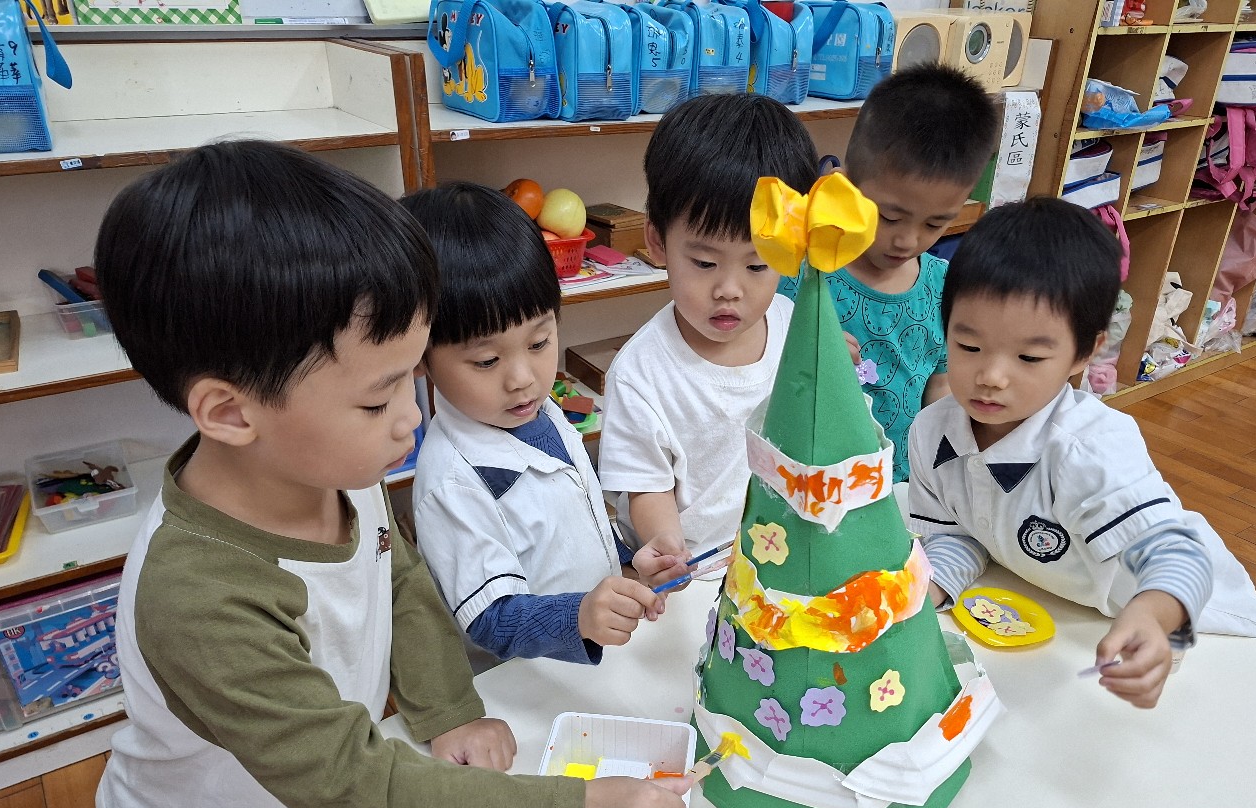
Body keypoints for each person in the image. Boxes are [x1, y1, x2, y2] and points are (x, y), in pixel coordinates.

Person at [92, 140, 690, 808]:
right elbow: (351, 785)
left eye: (412, 377)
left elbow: (397, 577)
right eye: (378, 398)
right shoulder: (200, 596)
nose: (412, 418)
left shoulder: (336, 467)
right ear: (229, 412)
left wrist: (447, 706)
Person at [907, 198, 1256, 709]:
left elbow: (1179, 556)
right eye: (969, 347)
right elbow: (958, 534)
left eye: (1029, 356)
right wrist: (927, 589)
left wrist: (1153, 617)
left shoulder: (1089, 447)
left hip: (1187, 619)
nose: (991, 376)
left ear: (1085, 352)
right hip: (1066, 609)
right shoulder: (931, 432)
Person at [402, 182, 683, 669]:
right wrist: (580, 616)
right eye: (487, 361)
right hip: (524, 683)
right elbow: (491, 619)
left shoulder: (540, 411)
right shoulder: (452, 481)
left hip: (593, 665)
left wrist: (628, 561)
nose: (523, 379)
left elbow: (574, 517)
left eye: (538, 343)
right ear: (420, 355)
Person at [598, 93, 818, 556]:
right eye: (704, 262)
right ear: (657, 242)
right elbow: (646, 487)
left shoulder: (794, 329)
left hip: (776, 554)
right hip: (694, 567)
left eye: (757, 266)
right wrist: (667, 547)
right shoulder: (640, 373)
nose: (729, 290)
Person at [780, 64, 1000, 482]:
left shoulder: (943, 286)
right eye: (889, 217)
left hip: (901, 482)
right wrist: (804, 351)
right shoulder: (803, 275)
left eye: (935, 224)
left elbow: (940, 385)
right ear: (842, 188)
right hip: (806, 479)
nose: (907, 241)